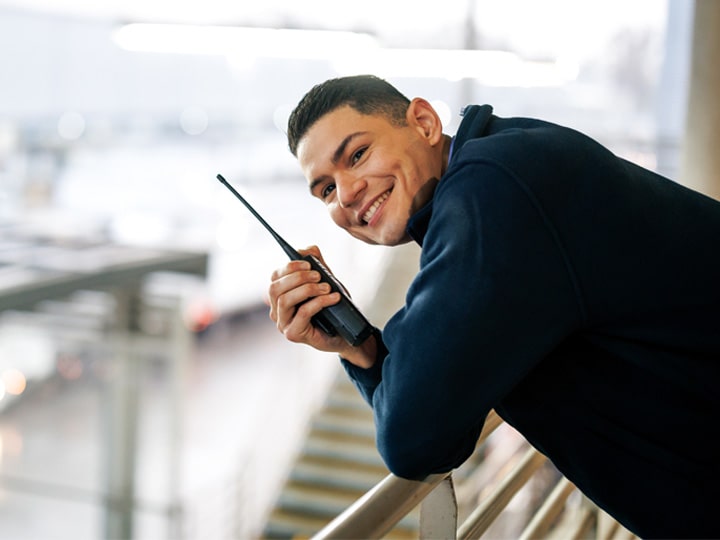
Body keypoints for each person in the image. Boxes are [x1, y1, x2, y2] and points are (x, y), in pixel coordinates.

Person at [267, 74, 720, 539]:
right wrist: (357, 346)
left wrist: (365, 353)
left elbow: (414, 438)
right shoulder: (504, 156)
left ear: (423, 122)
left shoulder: (492, 191)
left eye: (357, 155)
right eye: (324, 189)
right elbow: (440, 414)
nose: (345, 195)